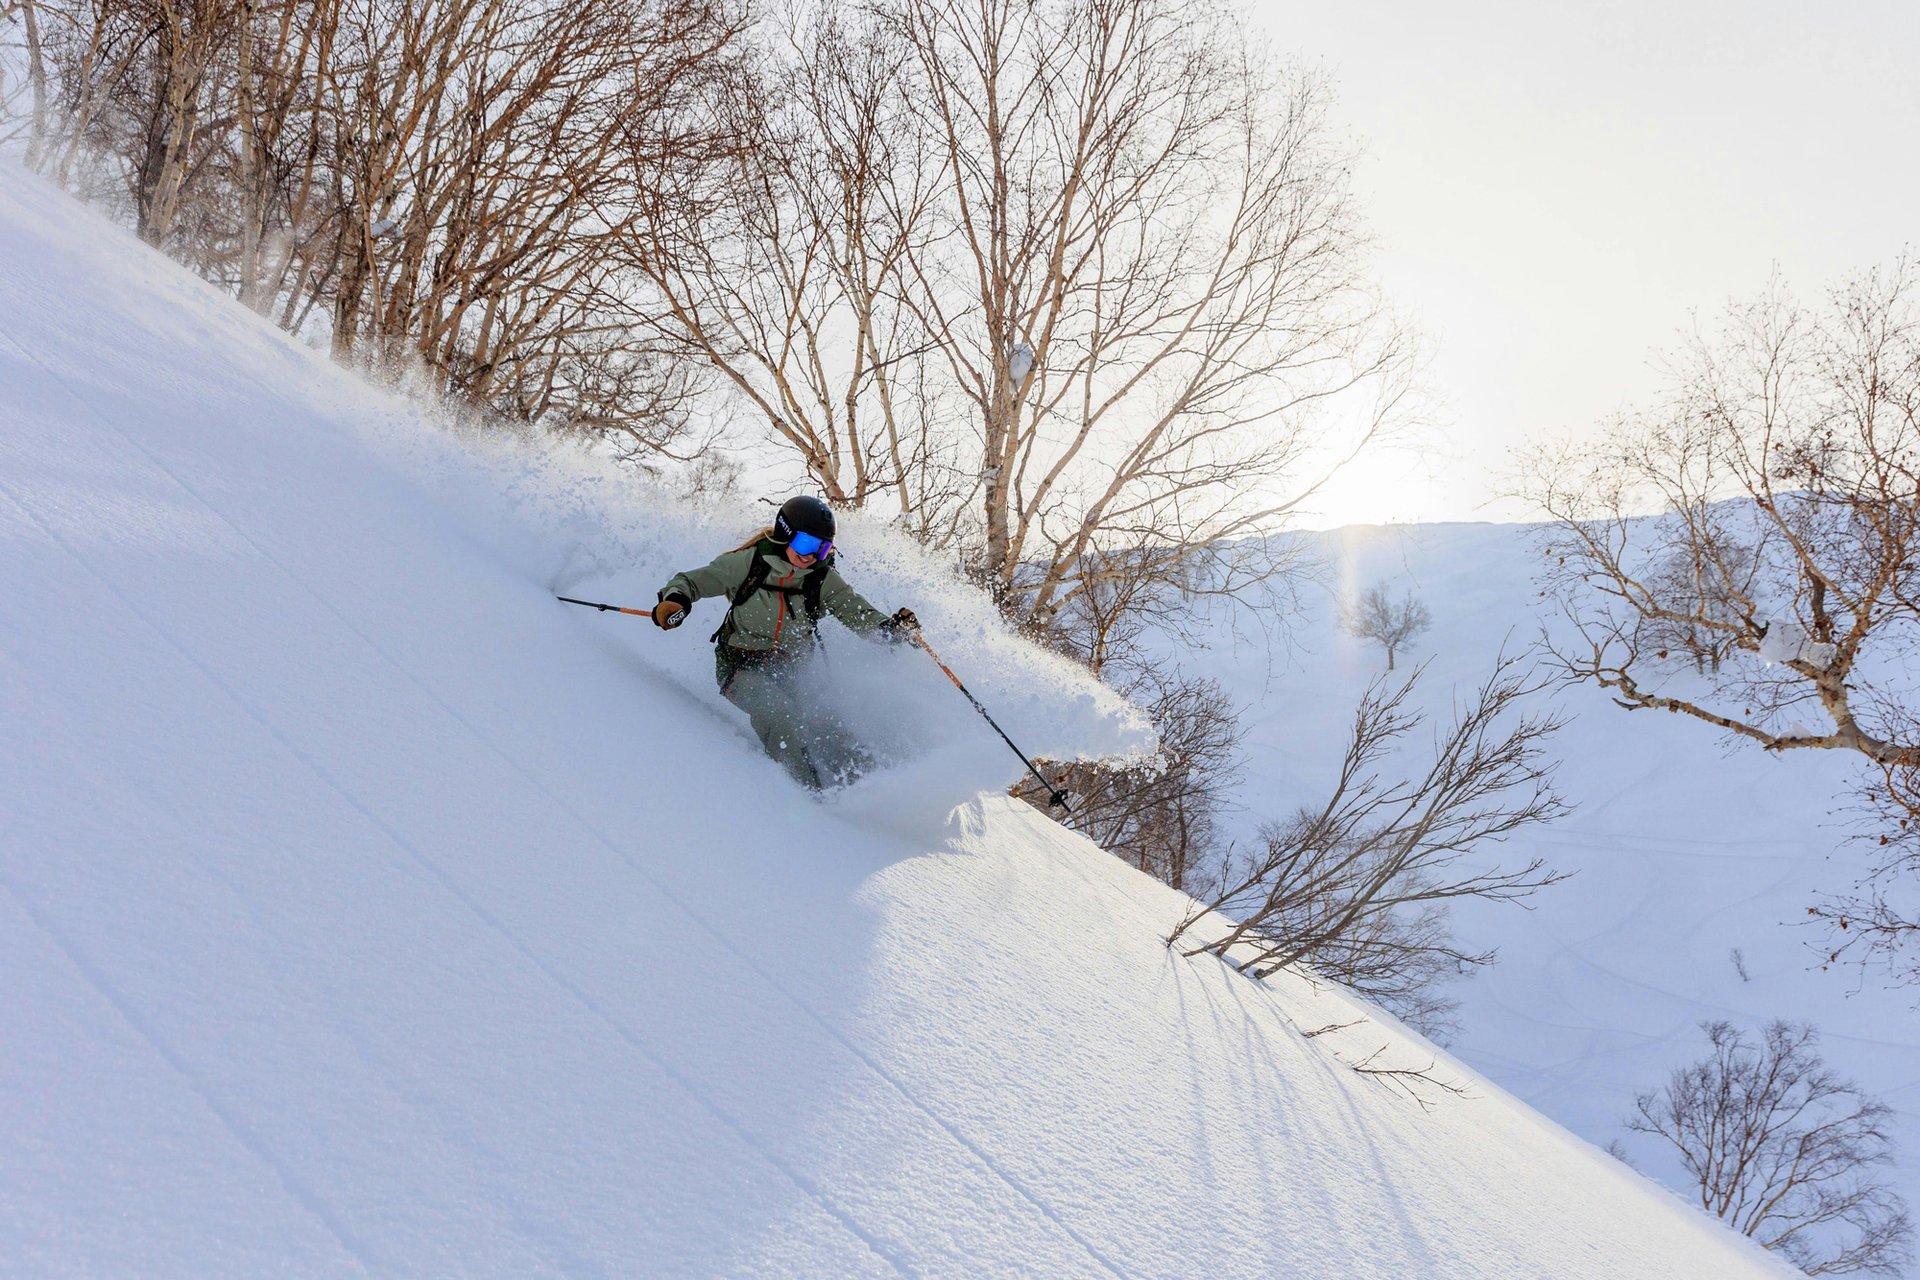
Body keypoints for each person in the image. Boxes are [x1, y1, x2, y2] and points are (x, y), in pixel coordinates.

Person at [652, 496, 918, 790]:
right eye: (805, 544)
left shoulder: (822, 579)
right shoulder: (748, 564)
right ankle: (806, 797)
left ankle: (875, 791)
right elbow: (692, 581)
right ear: (785, 534)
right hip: (741, 667)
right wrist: (675, 601)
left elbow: (856, 611)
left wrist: (891, 630)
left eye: (822, 547)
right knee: (778, 712)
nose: (810, 555)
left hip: (793, 671)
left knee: (829, 723)